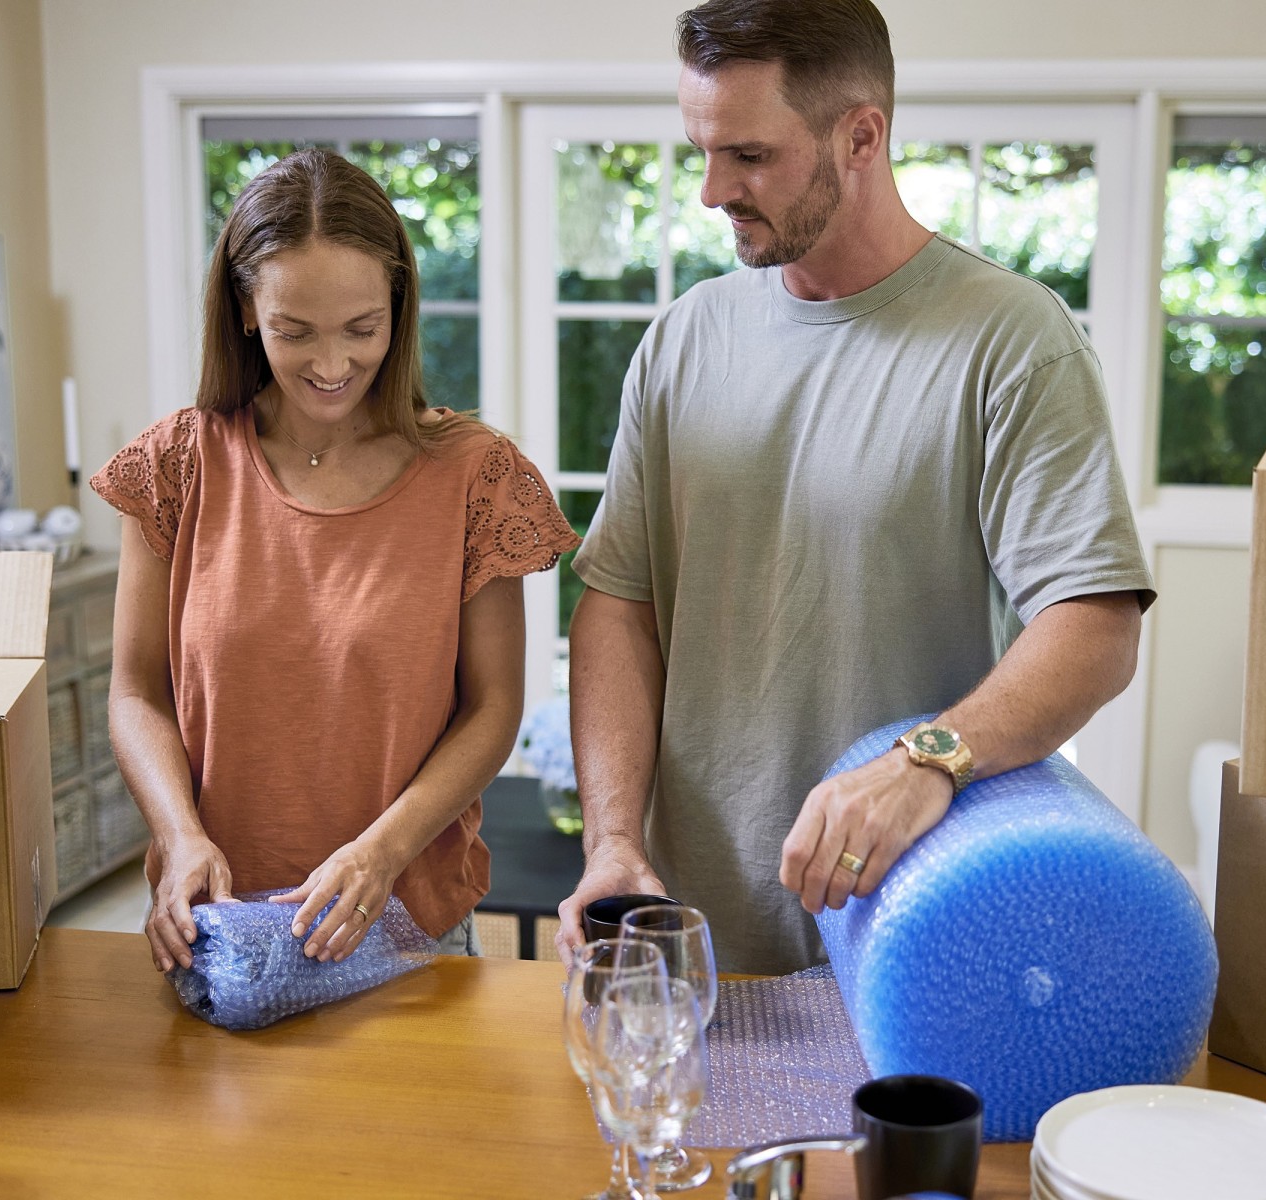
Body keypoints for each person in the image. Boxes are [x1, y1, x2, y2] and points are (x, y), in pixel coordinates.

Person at [556, 0, 1155, 976]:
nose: (712, 190)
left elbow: (1093, 625)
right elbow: (619, 603)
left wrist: (930, 759)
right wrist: (613, 838)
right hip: (689, 933)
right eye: (701, 150)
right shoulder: (684, 340)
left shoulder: (1012, 339)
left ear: (861, 135)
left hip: (911, 929)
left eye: (747, 154)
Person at [92, 148, 579, 975]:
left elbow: (493, 710)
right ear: (246, 311)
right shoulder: (176, 465)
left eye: (362, 329)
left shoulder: (476, 475)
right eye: (295, 332)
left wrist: (381, 854)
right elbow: (137, 693)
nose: (331, 365)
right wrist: (178, 838)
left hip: (404, 922)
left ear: (398, 306)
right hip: (218, 924)